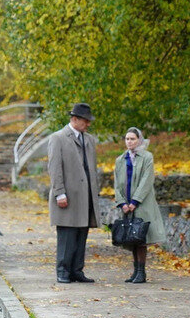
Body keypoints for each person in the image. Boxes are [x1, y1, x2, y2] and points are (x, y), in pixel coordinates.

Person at [47, 103, 101, 283]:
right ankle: (62, 271)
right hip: (68, 195)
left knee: (81, 234)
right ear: (75, 119)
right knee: (67, 235)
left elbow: (91, 168)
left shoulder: (90, 140)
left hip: (86, 197)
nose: (88, 124)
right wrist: (59, 193)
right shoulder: (58, 138)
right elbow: (55, 168)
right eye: (85, 120)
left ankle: (77, 270)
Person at [113, 127, 166, 284]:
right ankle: (135, 271)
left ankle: (141, 272)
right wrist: (122, 202)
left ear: (139, 140)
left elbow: (147, 180)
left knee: (141, 237)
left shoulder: (147, 157)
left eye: (132, 139)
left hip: (141, 204)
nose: (129, 142)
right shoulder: (120, 159)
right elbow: (116, 183)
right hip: (126, 204)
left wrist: (135, 201)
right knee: (131, 238)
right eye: (127, 139)